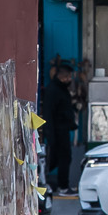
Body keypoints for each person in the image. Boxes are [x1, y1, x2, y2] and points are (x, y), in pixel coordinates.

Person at [40, 60, 78, 192]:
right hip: (58, 130)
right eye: (68, 76)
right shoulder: (54, 90)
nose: (69, 79)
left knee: (57, 159)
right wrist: (50, 134)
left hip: (61, 129)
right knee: (63, 158)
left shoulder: (60, 89)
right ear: (62, 76)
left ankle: (42, 179)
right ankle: (62, 186)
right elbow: (49, 113)